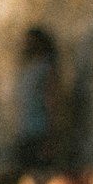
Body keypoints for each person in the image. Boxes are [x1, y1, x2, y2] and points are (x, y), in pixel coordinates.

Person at [14, 27, 61, 173]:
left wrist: (51, 136)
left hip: (41, 130)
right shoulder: (30, 68)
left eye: (30, 42)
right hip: (27, 130)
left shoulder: (47, 68)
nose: (26, 45)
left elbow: (52, 100)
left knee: (39, 173)